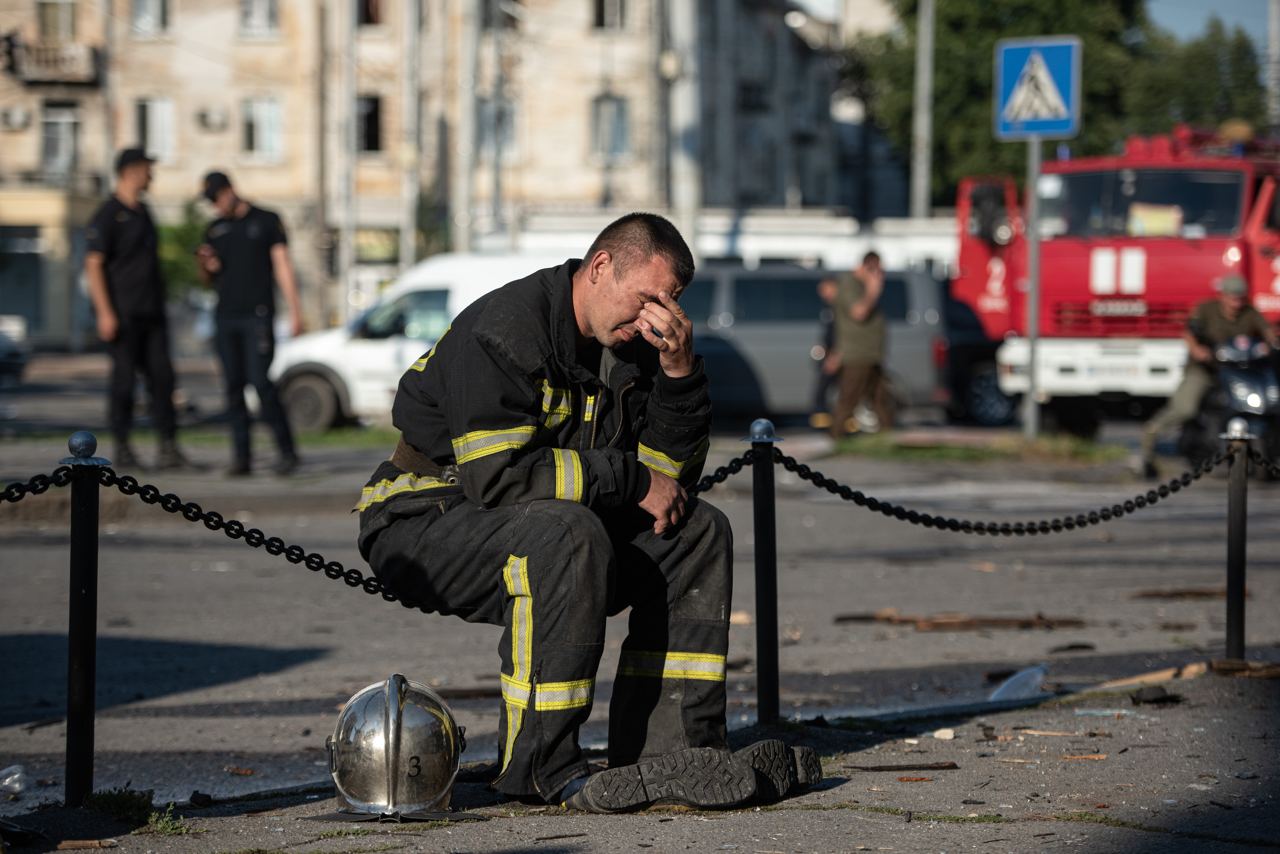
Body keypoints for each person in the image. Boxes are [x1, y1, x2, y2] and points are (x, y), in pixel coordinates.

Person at [355, 213, 818, 813]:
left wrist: (678, 374)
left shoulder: (632, 345)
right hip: (424, 514)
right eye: (648, 298)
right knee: (565, 537)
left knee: (698, 533)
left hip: (547, 522)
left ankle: (672, 753)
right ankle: (541, 767)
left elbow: (669, 486)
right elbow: (497, 479)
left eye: (671, 305)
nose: (656, 318)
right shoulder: (503, 330)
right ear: (600, 268)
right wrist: (628, 479)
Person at [85, 147, 194, 470]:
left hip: (152, 312)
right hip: (123, 314)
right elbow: (93, 265)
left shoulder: (144, 212)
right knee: (123, 383)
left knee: (163, 379)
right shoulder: (107, 215)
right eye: (147, 168)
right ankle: (123, 447)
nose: (152, 174)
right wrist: (105, 312)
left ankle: (168, 447)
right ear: (131, 171)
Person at [195, 171, 302, 476]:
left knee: (261, 383)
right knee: (232, 387)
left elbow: (282, 265)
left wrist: (295, 310)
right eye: (211, 201)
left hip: (257, 315)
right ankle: (241, 458)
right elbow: (207, 279)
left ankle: (287, 451)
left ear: (230, 190)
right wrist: (206, 266)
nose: (216, 206)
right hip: (226, 316)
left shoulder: (267, 220)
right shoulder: (214, 229)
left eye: (218, 197)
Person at [1138, 274, 1277, 478]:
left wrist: (1269, 343)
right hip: (1205, 369)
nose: (1236, 302)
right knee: (1185, 408)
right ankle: (1150, 437)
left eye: (1240, 298)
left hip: (1235, 371)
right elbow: (1189, 333)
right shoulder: (1206, 309)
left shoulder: (1249, 312)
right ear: (1223, 295)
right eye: (1232, 297)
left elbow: (1267, 331)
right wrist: (1197, 350)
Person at [827, 251, 894, 437]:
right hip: (857, 355)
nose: (879, 276)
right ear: (867, 266)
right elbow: (859, 312)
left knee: (881, 400)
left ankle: (887, 438)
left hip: (871, 354)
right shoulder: (850, 284)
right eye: (876, 271)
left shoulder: (860, 285)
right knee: (848, 400)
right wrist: (873, 290)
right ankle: (836, 437)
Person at [808, 278, 841, 429]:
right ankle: (825, 421)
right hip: (830, 354)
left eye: (825, 289)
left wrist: (835, 356)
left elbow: (844, 335)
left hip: (839, 356)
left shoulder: (842, 307)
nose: (822, 294)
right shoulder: (830, 308)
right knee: (824, 390)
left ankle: (833, 424)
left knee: (827, 390)